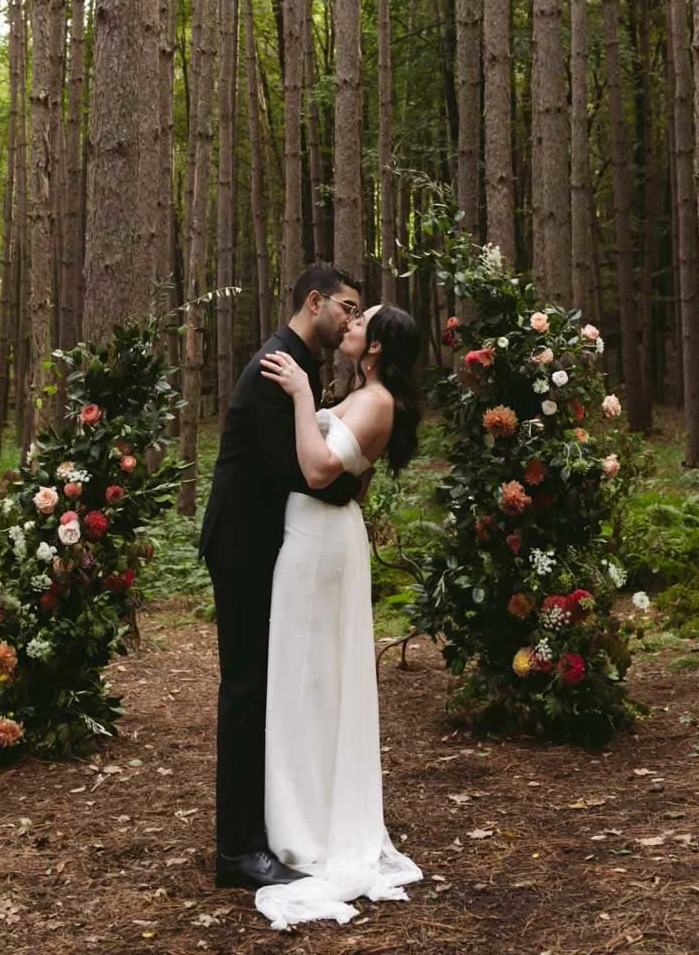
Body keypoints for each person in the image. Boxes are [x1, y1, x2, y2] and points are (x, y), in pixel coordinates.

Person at [252, 302, 424, 930]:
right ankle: (299, 811)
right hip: (313, 532)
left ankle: (309, 830)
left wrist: (301, 394)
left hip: (322, 541)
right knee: (304, 676)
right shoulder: (360, 393)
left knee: (310, 677)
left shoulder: (376, 402)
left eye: (362, 322)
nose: (350, 325)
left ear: (376, 346)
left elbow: (321, 467)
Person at [199, 262, 364, 890]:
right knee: (244, 693)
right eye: (346, 307)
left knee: (261, 691)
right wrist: (354, 474)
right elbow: (293, 472)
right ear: (314, 301)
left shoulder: (297, 363)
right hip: (242, 550)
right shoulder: (277, 367)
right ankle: (236, 851)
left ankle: (260, 830)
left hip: (262, 547)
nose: (350, 319)